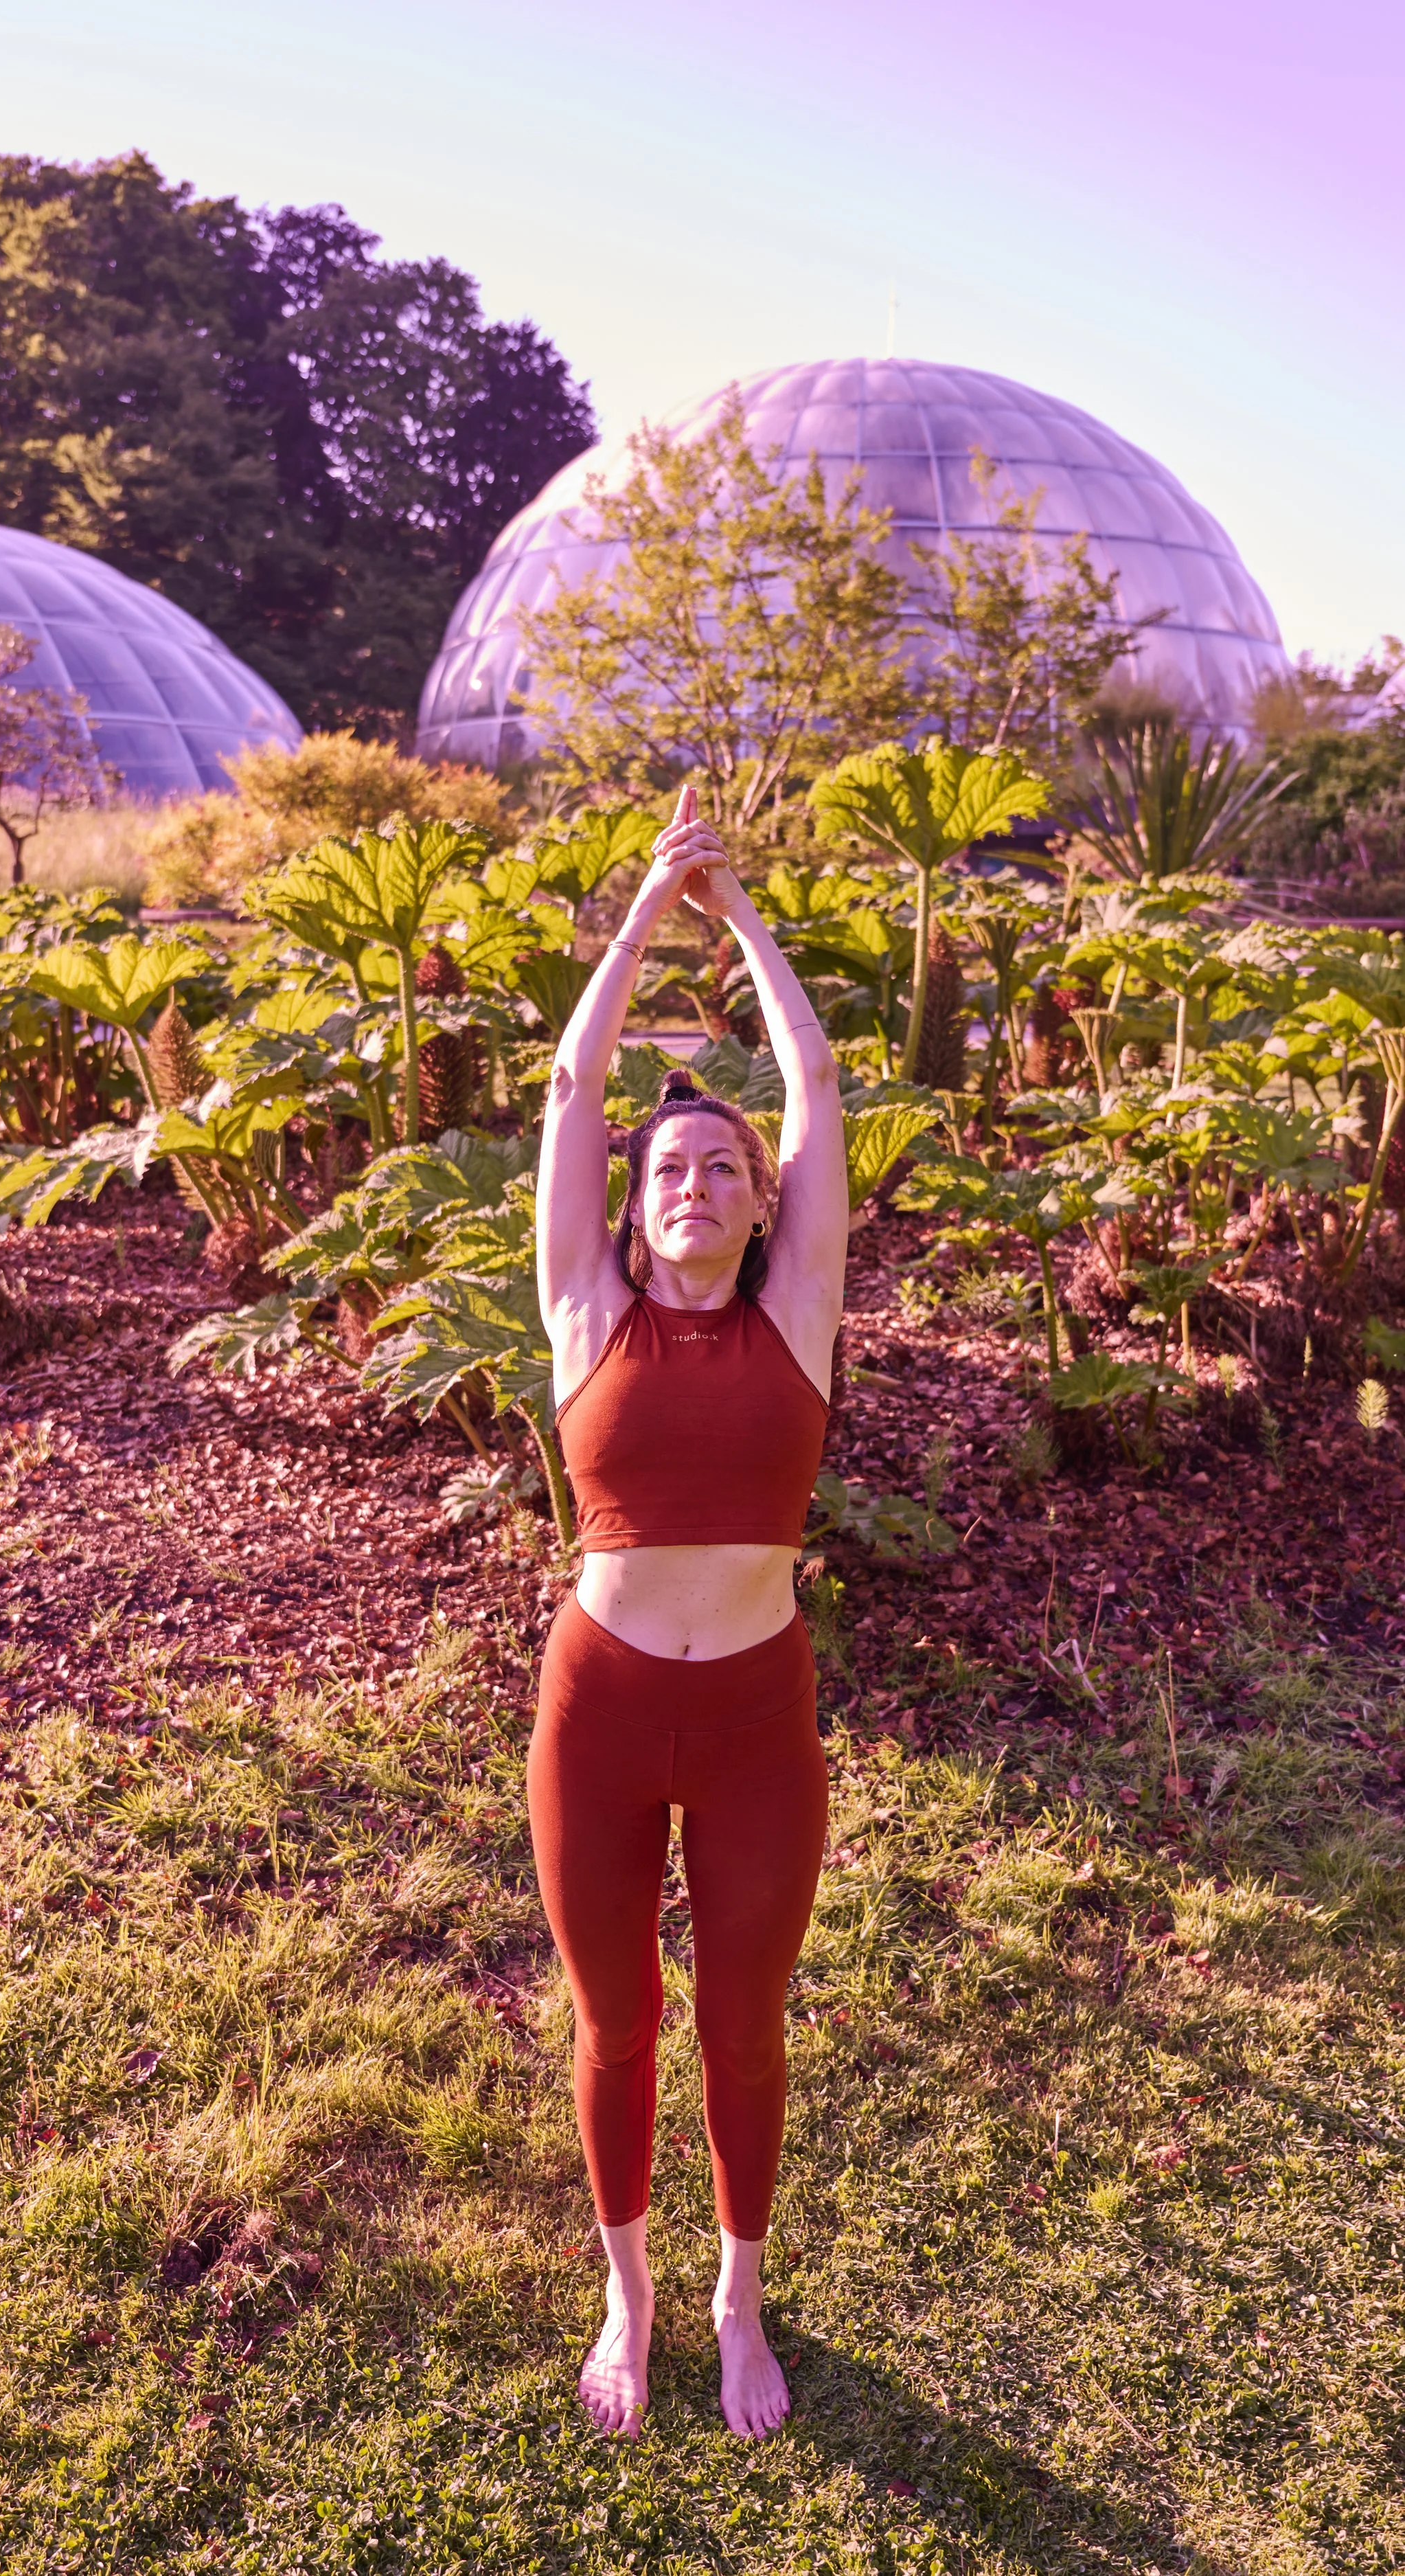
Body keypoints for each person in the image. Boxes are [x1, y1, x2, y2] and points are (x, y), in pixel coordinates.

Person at [532, 782, 849, 2442]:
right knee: (614, 2018)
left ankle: (733, 2298)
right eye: (670, 1166)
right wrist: (653, 903)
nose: (697, 1181)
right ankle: (625, 2294)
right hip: (594, 1709)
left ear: (756, 1203)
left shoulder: (797, 1313)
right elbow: (578, 1083)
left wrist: (740, 914)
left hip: (753, 1715)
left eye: (725, 1168)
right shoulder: (583, 1309)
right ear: (633, 1201)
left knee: (741, 2019)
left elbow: (811, 1079)